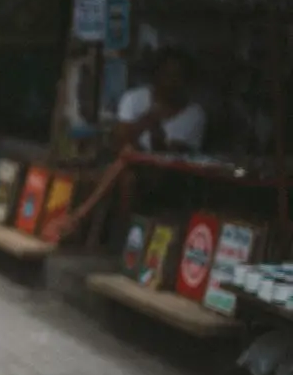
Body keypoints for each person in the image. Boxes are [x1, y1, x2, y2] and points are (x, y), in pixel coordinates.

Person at [46, 47, 205, 241]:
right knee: (127, 174)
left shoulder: (194, 114)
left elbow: (174, 158)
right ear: (156, 75)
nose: (171, 82)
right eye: (167, 74)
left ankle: (80, 217)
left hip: (165, 176)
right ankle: (118, 236)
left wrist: (156, 136)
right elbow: (118, 141)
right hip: (127, 167)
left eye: (178, 76)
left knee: (127, 163)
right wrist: (145, 122)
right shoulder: (136, 98)